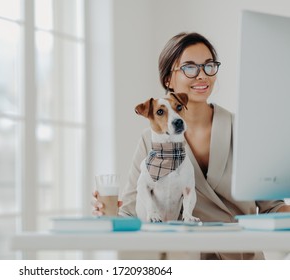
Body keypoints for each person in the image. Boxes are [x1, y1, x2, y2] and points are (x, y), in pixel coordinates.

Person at [92, 32, 290, 260]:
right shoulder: (150, 141)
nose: (202, 75)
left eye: (209, 66)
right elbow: (131, 213)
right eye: (189, 67)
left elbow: (272, 208)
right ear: (168, 79)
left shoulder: (244, 130)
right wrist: (106, 214)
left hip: (242, 262)